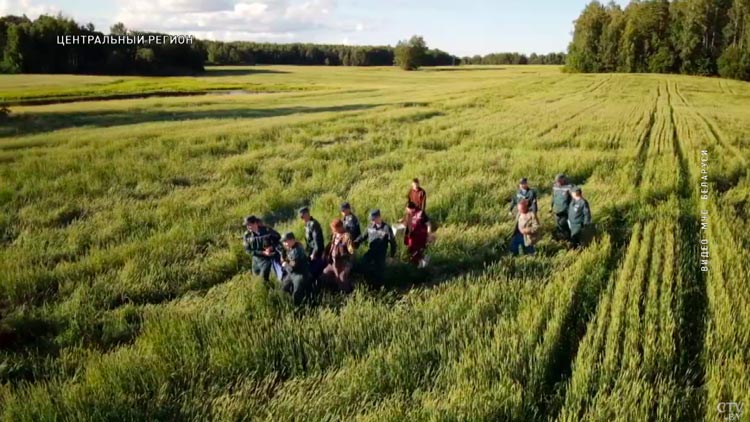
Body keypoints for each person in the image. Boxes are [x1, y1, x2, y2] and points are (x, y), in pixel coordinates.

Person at [354, 209, 398, 289]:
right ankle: (367, 283)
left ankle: (380, 288)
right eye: (371, 220)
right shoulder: (370, 227)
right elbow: (363, 236)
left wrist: (392, 256)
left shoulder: (386, 228)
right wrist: (355, 243)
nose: (372, 221)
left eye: (373, 219)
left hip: (380, 254)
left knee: (379, 272)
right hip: (371, 251)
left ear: (379, 217)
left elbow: (393, 243)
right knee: (362, 263)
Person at [242, 215, 283, 282]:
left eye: (249, 225)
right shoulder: (247, 235)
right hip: (256, 260)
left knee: (265, 278)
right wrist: (262, 252)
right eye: (247, 225)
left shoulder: (267, 230)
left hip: (268, 259)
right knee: (257, 279)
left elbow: (278, 239)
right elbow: (247, 250)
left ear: (255, 223)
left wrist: (271, 247)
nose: (248, 227)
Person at [320, 219, 356, 293]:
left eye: (334, 229)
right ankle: (331, 291)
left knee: (342, 279)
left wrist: (348, 267)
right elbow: (331, 245)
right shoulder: (335, 235)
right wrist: (325, 253)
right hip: (333, 263)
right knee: (325, 274)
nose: (333, 230)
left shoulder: (347, 237)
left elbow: (352, 253)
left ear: (340, 227)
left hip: (343, 264)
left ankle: (347, 295)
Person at [280, 232, 311, 306]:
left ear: (292, 240)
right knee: (283, 289)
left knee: (297, 294)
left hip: (300, 274)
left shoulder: (297, 251)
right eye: (283, 242)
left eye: (286, 241)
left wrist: (285, 264)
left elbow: (292, 267)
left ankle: (298, 310)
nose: (284, 243)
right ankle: (287, 304)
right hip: (292, 274)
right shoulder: (289, 248)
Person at [403, 201, 432, 267]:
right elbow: (406, 225)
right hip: (412, 238)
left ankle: (423, 266)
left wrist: (429, 235)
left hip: (420, 237)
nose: (407, 210)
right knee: (411, 253)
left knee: (419, 252)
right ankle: (415, 267)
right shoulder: (408, 214)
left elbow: (428, 224)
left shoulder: (421, 213)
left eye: (407, 209)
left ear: (411, 208)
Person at [299, 207, 326, 278]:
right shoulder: (307, 225)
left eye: (303, 216)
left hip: (317, 252)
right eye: (301, 217)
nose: (302, 219)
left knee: (316, 271)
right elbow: (308, 242)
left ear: (307, 214)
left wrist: (314, 253)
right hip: (311, 251)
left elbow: (317, 241)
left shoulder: (313, 224)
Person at [551, 174, 573, 241]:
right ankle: (562, 239)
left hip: (566, 211)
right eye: (557, 181)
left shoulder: (569, 187)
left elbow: (573, 199)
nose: (558, 182)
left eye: (559, 181)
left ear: (563, 180)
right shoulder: (555, 187)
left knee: (564, 225)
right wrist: (551, 207)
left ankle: (569, 240)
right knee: (558, 225)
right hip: (557, 210)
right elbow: (553, 197)